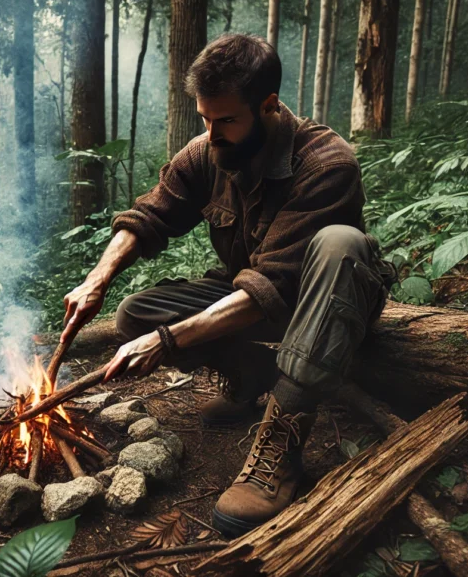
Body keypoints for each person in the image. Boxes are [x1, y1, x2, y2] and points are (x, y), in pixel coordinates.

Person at [59, 33, 395, 537]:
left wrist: (170, 340)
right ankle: (253, 377)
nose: (212, 135)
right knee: (134, 318)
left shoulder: (326, 164)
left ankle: (282, 438)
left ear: (269, 106)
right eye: (204, 119)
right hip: (251, 297)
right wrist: (96, 280)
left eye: (226, 121)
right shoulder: (208, 150)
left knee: (340, 242)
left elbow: (274, 285)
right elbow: (150, 215)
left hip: (324, 306)